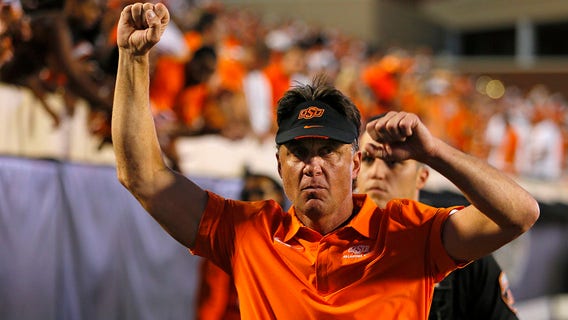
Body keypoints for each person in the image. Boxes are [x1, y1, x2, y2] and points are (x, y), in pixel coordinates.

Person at [112, 3, 539, 319]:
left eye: (328, 152)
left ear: (353, 165)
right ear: (280, 166)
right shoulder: (248, 233)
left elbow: (519, 214)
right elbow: (143, 176)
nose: (312, 165)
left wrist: (435, 151)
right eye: (298, 153)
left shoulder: (409, 233)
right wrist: (133, 60)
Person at [356, 115, 519, 319]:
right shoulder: (331, 241)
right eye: (369, 160)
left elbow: (521, 213)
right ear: (355, 168)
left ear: (421, 177)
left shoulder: (459, 246)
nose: (377, 173)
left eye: (392, 162)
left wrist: (433, 151)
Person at [195, 170, 287, 320]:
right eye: (246, 193)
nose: (252, 197)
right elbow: (211, 301)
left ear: (280, 196)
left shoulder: (294, 239)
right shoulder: (229, 239)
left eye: (259, 191)